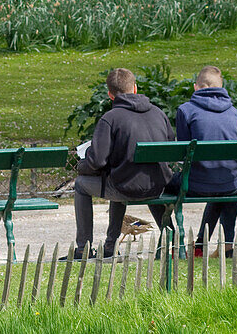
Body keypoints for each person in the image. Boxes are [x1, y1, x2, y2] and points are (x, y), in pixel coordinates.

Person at [72, 68, 174, 260]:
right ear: (135, 88)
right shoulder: (159, 113)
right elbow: (170, 144)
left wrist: (81, 166)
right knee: (129, 175)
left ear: (110, 94)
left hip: (125, 187)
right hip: (158, 186)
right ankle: (170, 238)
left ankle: (83, 248)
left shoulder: (110, 119)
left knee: (82, 185)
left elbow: (96, 161)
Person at [175, 66, 237, 257]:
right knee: (225, 183)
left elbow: (182, 153)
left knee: (205, 180)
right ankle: (226, 245)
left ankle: (196, 245)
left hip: (195, 184)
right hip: (229, 184)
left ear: (196, 87)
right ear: (221, 87)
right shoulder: (236, 114)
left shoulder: (186, 110)